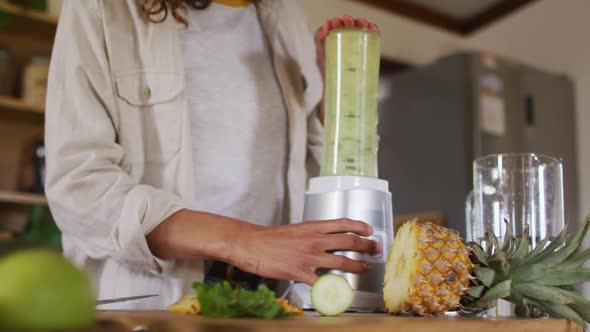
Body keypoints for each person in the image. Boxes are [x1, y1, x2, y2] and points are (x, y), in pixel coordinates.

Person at [45, 0, 381, 309]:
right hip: (153, 299)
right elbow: (79, 185)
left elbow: (307, 171)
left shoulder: (285, 15)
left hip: (275, 296)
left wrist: (335, 97)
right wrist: (245, 242)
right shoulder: (103, 6)